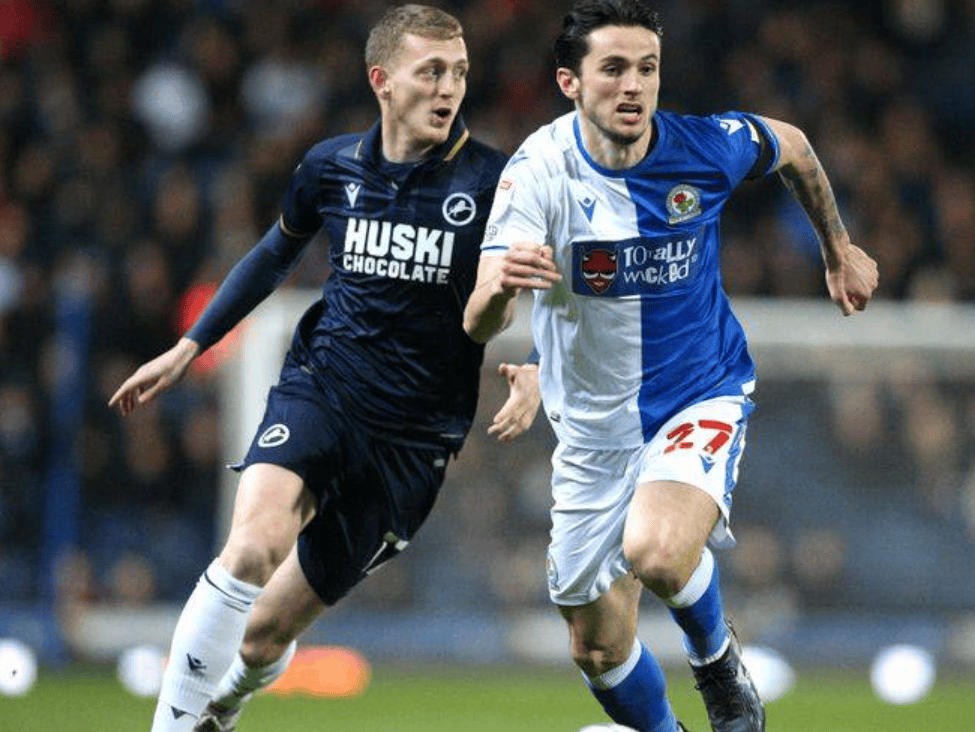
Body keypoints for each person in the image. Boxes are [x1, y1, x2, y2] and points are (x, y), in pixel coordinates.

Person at [109, 6, 540, 731]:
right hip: (323, 387)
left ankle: (229, 700)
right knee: (250, 550)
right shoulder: (329, 166)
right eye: (431, 71)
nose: (449, 88)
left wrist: (536, 364)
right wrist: (191, 345)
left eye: (459, 73)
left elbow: (565, 292)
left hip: (411, 442)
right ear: (382, 80)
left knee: (262, 637)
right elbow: (274, 253)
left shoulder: (499, 183)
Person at [463, 2, 879, 732]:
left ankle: (718, 665)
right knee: (596, 647)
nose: (633, 85)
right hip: (592, 431)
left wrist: (835, 248)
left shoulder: (704, 149)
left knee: (655, 551)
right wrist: (501, 293)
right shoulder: (537, 173)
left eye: (647, 68)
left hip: (698, 392)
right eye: (613, 69)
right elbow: (478, 319)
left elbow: (793, 146)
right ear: (569, 82)